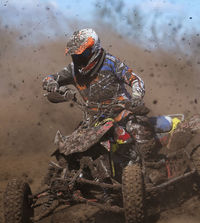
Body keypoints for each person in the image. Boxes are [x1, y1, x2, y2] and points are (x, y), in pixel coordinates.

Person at [42, 28, 159, 186]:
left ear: (94, 50)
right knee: (71, 146)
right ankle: (72, 178)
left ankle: (153, 171)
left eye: (82, 54)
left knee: (138, 130)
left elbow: (135, 79)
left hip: (121, 112)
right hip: (93, 119)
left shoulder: (110, 62)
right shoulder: (73, 69)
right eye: (75, 55)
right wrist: (51, 84)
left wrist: (137, 97)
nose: (79, 58)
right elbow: (50, 77)